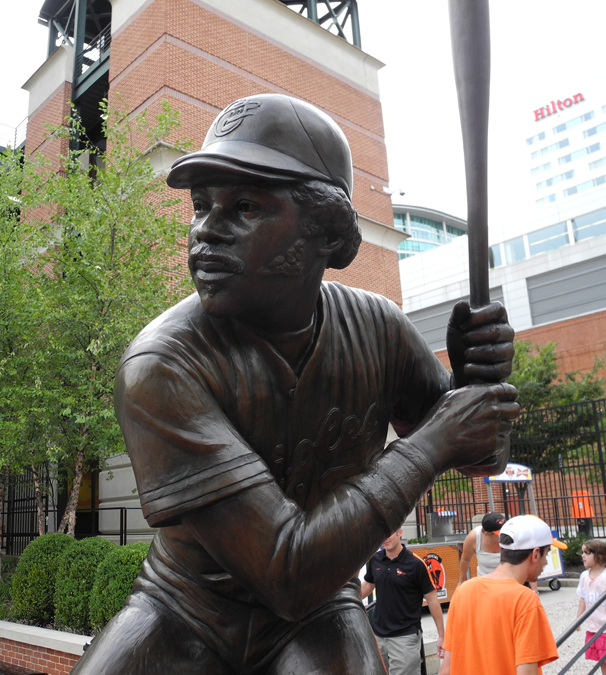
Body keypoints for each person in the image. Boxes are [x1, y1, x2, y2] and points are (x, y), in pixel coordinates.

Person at [70, 94, 518, 675]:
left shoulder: (378, 328)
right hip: (186, 608)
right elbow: (285, 572)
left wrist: (477, 383)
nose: (206, 229)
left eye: (246, 206)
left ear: (326, 232)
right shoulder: (162, 364)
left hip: (320, 610)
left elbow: (486, 460)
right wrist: (435, 439)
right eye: (201, 205)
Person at [441, 515, 563, 675]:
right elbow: (526, 670)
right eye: (546, 555)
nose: (546, 562)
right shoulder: (525, 600)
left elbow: (446, 667)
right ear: (535, 554)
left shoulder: (463, 591)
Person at [361, 527, 446, 674]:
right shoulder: (376, 560)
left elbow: (432, 600)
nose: (385, 539)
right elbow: (368, 585)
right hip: (378, 636)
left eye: (389, 533)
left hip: (405, 638)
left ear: (400, 532)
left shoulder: (416, 564)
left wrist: (442, 636)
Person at [575, 540, 606, 675]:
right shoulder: (584, 576)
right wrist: (578, 619)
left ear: (600, 556)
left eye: (587, 553)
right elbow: (583, 598)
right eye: (582, 552)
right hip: (594, 627)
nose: (583, 555)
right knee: (602, 661)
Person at [457, 511, 505, 587]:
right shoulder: (474, 537)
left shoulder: (511, 535)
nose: (503, 534)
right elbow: (465, 559)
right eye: (499, 533)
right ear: (487, 534)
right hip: (484, 584)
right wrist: (461, 581)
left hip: (507, 583)